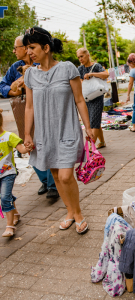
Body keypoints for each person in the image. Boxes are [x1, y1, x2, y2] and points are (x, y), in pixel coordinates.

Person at [23, 26, 94, 234]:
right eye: (27, 48)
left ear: (46, 47)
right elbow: (29, 107)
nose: (29, 52)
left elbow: (79, 100)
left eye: (32, 47)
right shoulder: (30, 76)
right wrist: (27, 134)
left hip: (67, 130)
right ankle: (69, 212)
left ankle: (78, 213)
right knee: (54, 174)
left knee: (65, 176)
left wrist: (88, 127)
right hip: (44, 133)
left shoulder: (67, 69)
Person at [0, 36, 58, 199]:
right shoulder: (15, 67)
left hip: (44, 108)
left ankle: (54, 184)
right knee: (29, 144)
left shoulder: (42, 62)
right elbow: (2, 85)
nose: (13, 51)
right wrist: (12, 91)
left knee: (48, 143)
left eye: (15, 47)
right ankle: (45, 180)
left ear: (25, 48)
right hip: (23, 109)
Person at [0, 109, 29, 237]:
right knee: (6, 195)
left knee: (4, 198)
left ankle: (9, 226)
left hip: (8, 173)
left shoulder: (8, 136)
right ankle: (15, 214)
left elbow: (21, 149)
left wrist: (26, 148)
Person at [77, 48, 109, 149]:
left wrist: (91, 74)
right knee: (94, 120)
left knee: (94, 121)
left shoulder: (96, 66)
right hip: (86, 98)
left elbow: (106, 74)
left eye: (81, 56)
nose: (80, 59)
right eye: (78, 57)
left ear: (87, 55)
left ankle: (92, 146)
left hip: (97, 97)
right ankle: (102, 142)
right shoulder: (80, 69)